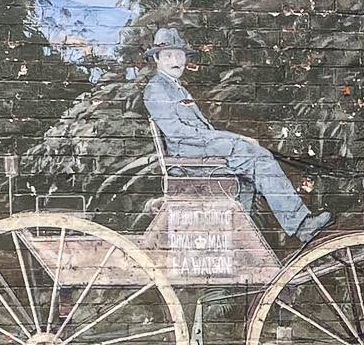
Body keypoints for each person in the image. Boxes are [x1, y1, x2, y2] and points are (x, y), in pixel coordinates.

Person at [141, 26, 332, 244]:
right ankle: (301, 225)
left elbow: (199, 131)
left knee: (250, 172)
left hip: (198, 154)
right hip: (189, 160)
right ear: (157, 58)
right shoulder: (157, 89)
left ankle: (241, 246)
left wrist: (235, 140)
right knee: (261, 159)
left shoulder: (176, 88)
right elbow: (179, 134)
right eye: (168, 55)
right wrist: (235, 140)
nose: (176, 60)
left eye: (179, 54)